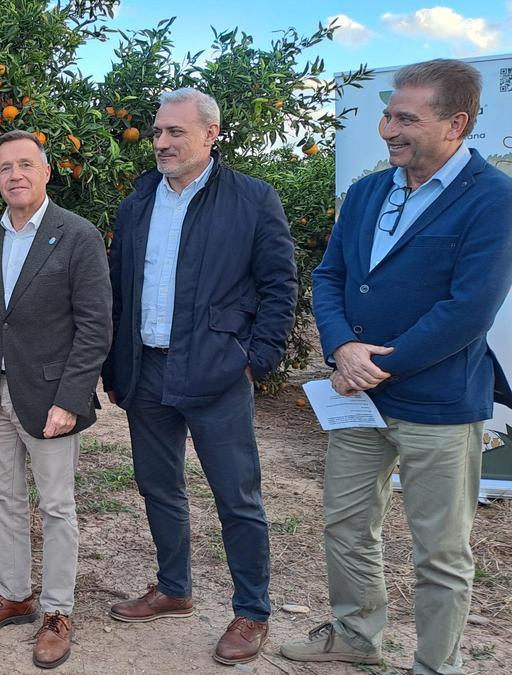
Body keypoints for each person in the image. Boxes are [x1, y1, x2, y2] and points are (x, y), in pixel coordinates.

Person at [282, 59, 512, 675]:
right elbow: (330, 276)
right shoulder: (366, 191)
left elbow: (469, 309)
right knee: (346, 526)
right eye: (388, 115)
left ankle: (437, 665)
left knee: (440, 551)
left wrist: (375, 366)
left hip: (438, 403)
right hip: (358, 400)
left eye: (407, 118)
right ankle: (356, 638)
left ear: (456, 123)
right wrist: (339, 349)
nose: (388, 128)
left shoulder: (494, 198)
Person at [101, 88, 297, 665]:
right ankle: (174, 589)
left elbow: (280, 287)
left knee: (236, 496)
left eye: (174, 133)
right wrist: (117, 365)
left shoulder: (253, 200)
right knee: (158, 487)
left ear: (211, 134)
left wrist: (254, 359)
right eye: (157, 132)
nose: (160, 142)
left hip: (216, 373)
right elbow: (119, 289)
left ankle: (252, 611)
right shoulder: (138, 201)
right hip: (148, 372)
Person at [0, 129, 113, 670]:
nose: (15, 175)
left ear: (47, 172)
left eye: (25, 165)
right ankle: (15, 594)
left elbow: (95, 327)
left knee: (57, 506)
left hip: (49, 398)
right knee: (0, 497)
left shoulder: (77, 236)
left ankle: (57, 612)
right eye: (4, 168)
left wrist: (71, 397)